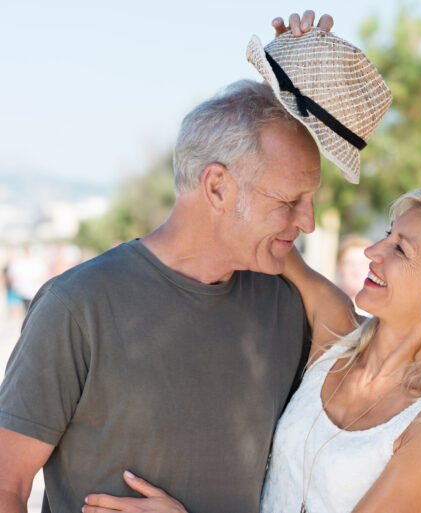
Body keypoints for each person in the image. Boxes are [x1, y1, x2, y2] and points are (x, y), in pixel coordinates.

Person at [0, 12, 392, 513]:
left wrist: (298, 79)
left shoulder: (286, 304)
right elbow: (7, 485)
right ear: (217, 187)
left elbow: (370, 361)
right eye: (290, 201)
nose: (309, 222)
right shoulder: (77, 307)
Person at [82, 189, 421, 513]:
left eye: (400, 248)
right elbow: (274, 241)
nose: (374, 251)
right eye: (387, 233)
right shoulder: (335, 334)